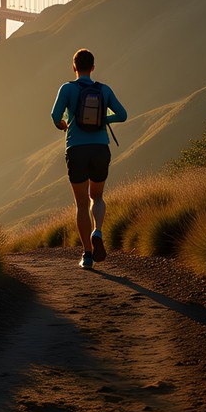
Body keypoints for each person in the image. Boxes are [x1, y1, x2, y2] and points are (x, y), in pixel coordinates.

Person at [51, 48, 128, 270]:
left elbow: (55, 116)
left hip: (76, 149)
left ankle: (87, 254)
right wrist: (104, 119)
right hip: (100, 149)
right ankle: (98, 231)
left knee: (81, 203)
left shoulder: (67, 88)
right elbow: (123, 115)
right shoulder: (104, 90)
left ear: (74, 67)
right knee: (98, 197)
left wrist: (64, 125)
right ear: (93, 67)